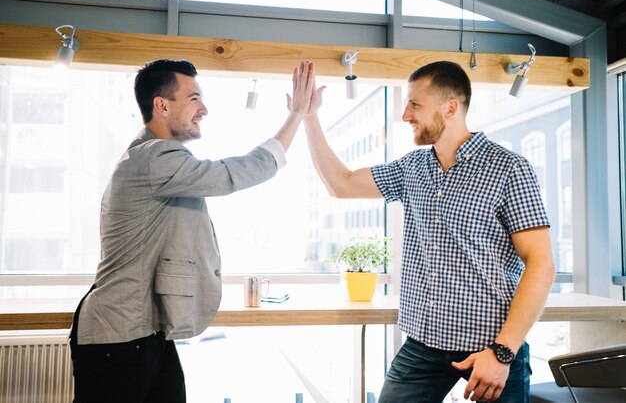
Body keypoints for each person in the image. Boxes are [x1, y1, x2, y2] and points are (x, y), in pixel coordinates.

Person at [303, 60, 555, 402]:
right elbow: (341, 184)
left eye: (415, 105)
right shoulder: (412, 168)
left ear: (450, 107)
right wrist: (309, 117)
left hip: (492, 347)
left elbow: (541, 263)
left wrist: (504, 352)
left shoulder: (508, 169)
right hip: (424, 345)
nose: (405, 115)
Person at [69, 59, 314, 403]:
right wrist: (296, 115)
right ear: (162, 105)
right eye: (194, 98)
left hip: (146, 332)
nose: (205, 109)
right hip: (118, 335)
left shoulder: (152, 157)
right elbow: (234, 174)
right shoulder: (156, 157)